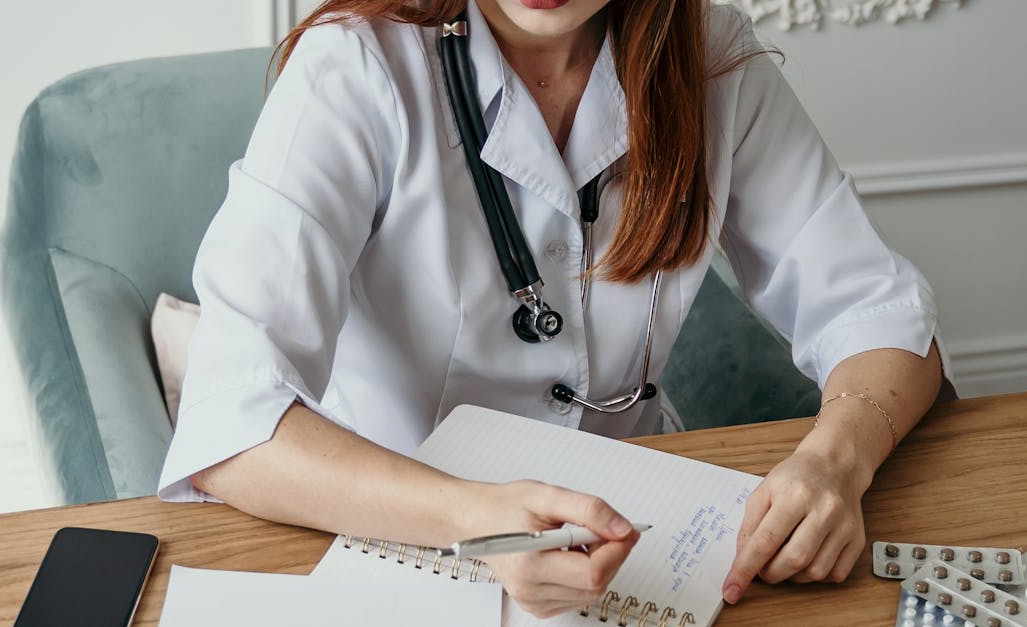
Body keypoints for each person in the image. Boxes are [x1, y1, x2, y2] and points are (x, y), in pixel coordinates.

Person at [158, 0, 946, 618]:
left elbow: (881, 314)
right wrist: (479, 519)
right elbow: (233, 420)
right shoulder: (355, 68)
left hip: (644, 543)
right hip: (397, 529)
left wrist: (834, 460)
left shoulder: (712, 58)